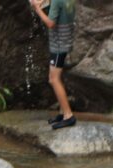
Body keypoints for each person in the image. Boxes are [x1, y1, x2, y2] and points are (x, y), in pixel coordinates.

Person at [30, 0, 77, 129]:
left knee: (53, 79)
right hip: (66, 39)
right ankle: (62, 113)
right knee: (58, 78)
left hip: (59, 44)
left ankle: (68, 116)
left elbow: (50, 23)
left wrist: (37, 8)